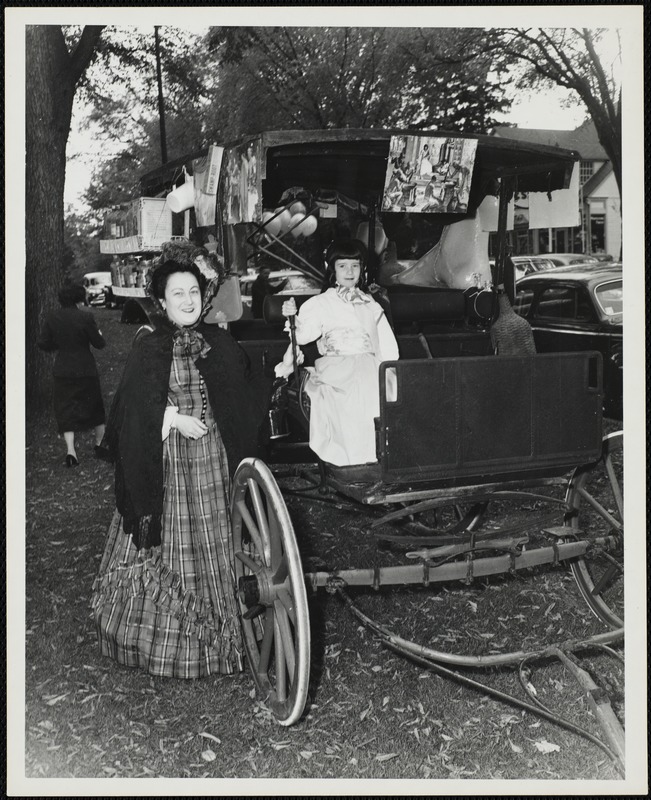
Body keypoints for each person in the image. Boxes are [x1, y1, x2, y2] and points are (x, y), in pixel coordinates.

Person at [91, 257, 264, 679]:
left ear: (203, 298)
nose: (186, 301)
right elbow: (133, 407)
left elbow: (239, 397)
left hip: (216, 462)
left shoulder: (219, 342)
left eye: (193, 292)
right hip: (168, 462)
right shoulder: (149, 344)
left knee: (225, 538)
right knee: (171, 543)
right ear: (161, 302)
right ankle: (173, 642)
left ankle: (237, 631)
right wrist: (171, 419)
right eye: (177, 294)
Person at [275, 239, 399, 467]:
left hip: (369, 365)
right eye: (343, 266)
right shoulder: (322, 303)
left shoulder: (370, 303)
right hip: (336, 367)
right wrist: (292, 318)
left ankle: (380, 462)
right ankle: (352, 465)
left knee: (384, 393)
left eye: (355, 266)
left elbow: (386, 343)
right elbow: (303, 336)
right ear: (333, 269)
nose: (350, 272)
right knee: (348, 399)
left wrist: (389, 366)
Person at [38, 282, 106, 467]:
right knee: (95, 407)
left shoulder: (52, 318)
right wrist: (98, 333)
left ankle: (71, 451)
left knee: (65, 408)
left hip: (63, 369)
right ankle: (99, 445)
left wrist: (59, 345)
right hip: (85, 369)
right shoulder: (86, 317)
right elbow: (99, 343)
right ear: (78, 297)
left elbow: (43, 343)